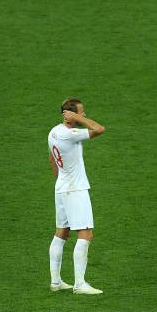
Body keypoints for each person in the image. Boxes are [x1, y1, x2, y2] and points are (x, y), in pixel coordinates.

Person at [47, 98, 105, 295]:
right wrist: (79, 119)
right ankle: (80, 284)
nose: (85, 115)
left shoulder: (53, 131)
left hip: (61, 187)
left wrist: (61, 177)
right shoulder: (70, 134)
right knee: (86, 234)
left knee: (61, 233)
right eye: (82, 112)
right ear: (71, 115)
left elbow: (52, 160)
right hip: (75, 189)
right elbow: (99, 129)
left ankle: (56, 282)